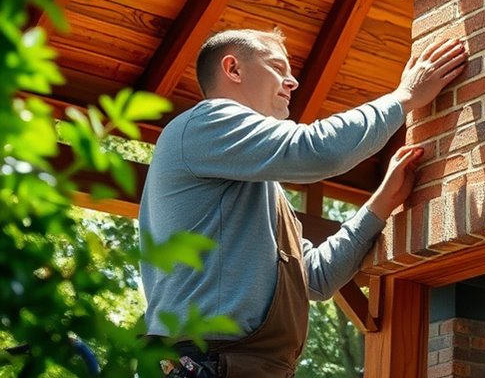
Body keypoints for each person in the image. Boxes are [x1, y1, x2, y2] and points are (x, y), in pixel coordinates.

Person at [138, 28, 467, 377]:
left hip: (241, 364)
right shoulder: (204, 124)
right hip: (205, 362)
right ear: (233, 69)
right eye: (277, 67)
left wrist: (380, 205)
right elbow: (315, 149)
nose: (292, 81)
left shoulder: (255, 186)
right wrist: (404, 97)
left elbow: (313, 277)